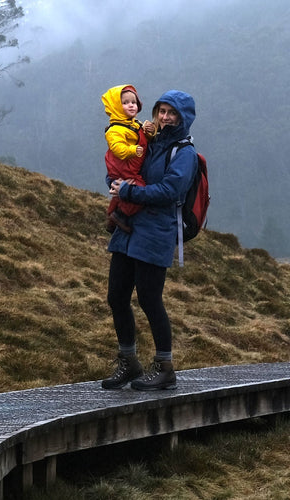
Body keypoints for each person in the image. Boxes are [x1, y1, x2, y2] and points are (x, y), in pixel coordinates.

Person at [101, 90, 199, 391]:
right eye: (161, 111)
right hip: (128, 227)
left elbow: (170, 192)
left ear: (183, 118)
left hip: (157, 231)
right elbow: (124, 168)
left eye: (172, 113)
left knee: (149, 299)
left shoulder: (185, 154)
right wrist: (114, 182)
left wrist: (128, 192)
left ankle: (165, 367)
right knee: (116, 296)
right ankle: (129, 363)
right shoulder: (149, 141)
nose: (165, 117)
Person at [101, 84, 154, 233]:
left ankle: (111, 217)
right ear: (117, 106)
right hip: (124, 166)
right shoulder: (115, 129)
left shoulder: (135, 124)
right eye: (125, 103)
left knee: (122, 190)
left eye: (134, 102)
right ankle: (120, 215)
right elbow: (118, 149)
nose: (131, 105)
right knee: (138, 187)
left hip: (131, 164)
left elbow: (145, 139)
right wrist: (132, 150)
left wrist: (151, 132)